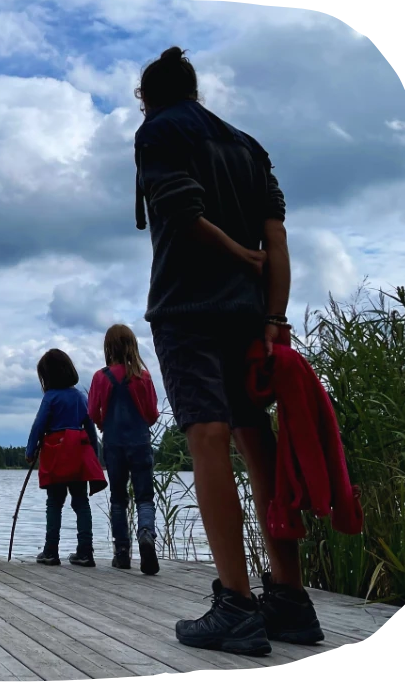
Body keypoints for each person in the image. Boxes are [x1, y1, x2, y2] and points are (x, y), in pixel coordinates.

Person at [133, 46, 324, 655]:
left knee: (208, 436)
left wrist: (236, 257)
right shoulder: (249, 146)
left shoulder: (157, 131)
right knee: (254, 436)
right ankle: (289, 598)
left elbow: (183, 211)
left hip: (187, 307)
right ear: (196, 89)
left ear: (147, 96)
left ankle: (236, 604)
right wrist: (275, 315)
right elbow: (277, 235)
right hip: (249, 312)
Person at [88, 324, 161, 575]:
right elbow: (152, 414)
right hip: (140, 441)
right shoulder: (144, 376)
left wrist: (101, 424)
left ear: (108, 348)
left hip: (114, 443)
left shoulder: (101, 377)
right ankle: (146, 535)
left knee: (118, 499)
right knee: (145, 498)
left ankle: (121, 553)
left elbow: (92, 412)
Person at [25, 348, 107, 568]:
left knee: (54, 503)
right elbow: (90, 428)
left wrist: (30, 450)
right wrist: (95, 458)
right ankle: (85, 552)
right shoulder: (80, 396)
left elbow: (39, 425)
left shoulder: (50, 397)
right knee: (81, 502)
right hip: (78, 453)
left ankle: (51, 551)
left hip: (56, 453)